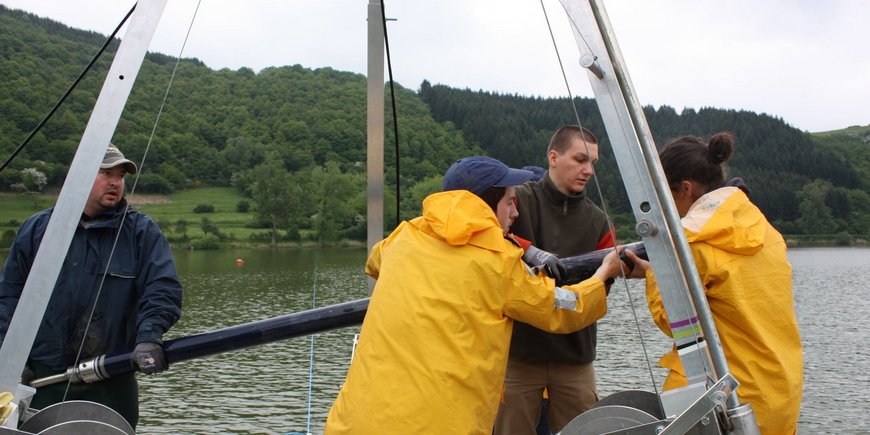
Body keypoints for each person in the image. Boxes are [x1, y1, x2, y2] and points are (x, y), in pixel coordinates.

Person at [324, 156, 627, 434]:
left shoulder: (404, 236)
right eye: (510, 202)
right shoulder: (499, 262)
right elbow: (562, 308)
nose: (516, 211)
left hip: (355, 422)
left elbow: (374, 262)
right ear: (486, 204)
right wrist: (603, 274)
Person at [623, 132, 803, 434]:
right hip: (777, 395)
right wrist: (656, 268)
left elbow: (673, 321)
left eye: (665, 193)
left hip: (728, 405)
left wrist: (657, 275)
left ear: (685, 188)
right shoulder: (765, 232)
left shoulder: (693, 244)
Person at [0, 144, 183, 429]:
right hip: (40, 379)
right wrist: (10, 358)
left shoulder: (142, 233)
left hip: (113, 378)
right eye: (106, 172)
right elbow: (8, 297)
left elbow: (162, 290)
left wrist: (149, 336)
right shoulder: (37, 230)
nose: (116, 182)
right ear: (79, 175)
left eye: (121, 175)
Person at [495, 125, 614, 434]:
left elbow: (603, 286)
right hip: (518, 354)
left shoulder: (599, 221)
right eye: (580, 160)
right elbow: (488, 236)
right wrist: (530, 250)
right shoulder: (517, 201)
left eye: (593, 164)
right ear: (553, 157)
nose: (588, 170)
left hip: (575, 358)